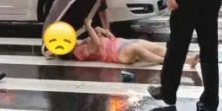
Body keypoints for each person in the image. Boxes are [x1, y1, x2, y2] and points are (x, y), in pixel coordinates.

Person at [70, 22, 199, 68]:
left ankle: (188, 60)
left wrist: (103, 31)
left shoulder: (81, 41)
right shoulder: (77, 52)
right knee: (138, 48)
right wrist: (89, 27)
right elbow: (96, 45)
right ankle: (167, 62)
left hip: (122, 42)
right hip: (119, 54)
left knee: (157, 48)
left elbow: (110, 37)